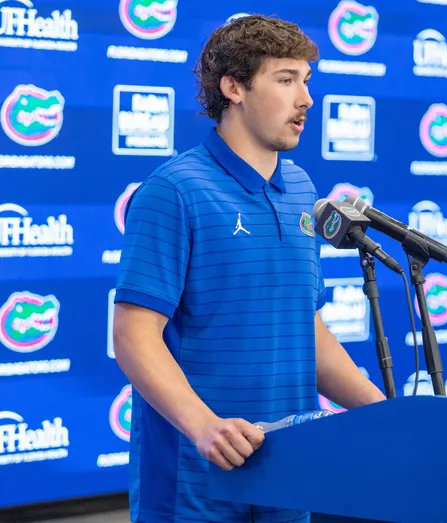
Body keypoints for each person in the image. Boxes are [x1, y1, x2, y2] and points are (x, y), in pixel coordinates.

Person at [112, 14, 386, 523]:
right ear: (233, 87)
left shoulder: (302, 188)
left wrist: (384, 412)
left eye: (307, 81)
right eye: (286, 80)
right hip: (196, 474)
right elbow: (133, 335)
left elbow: (304, 324)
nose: (305, 99)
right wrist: (204, 426)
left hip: (289, 468)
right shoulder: (174, 191)